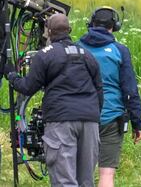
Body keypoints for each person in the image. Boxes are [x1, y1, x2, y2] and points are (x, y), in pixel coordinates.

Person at [6, 13, 103, 187]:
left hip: (61, 121)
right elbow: (99, 91)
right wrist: (94, 115)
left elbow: (28, 87)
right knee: (86, 181)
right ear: (69, 30)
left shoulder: (45, 55)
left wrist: (12, 75)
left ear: (48, 32)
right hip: (90, 121)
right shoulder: (87, 55)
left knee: (64, 181)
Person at [78, 6, 141, 187]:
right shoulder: (120, 51)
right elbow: (130, 90)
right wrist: (137, 123)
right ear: (115, 26)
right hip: (111, 117)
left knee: (81, 172)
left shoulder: (76, 47)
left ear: (90, 24)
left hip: (80, 116)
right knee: (107, 174)